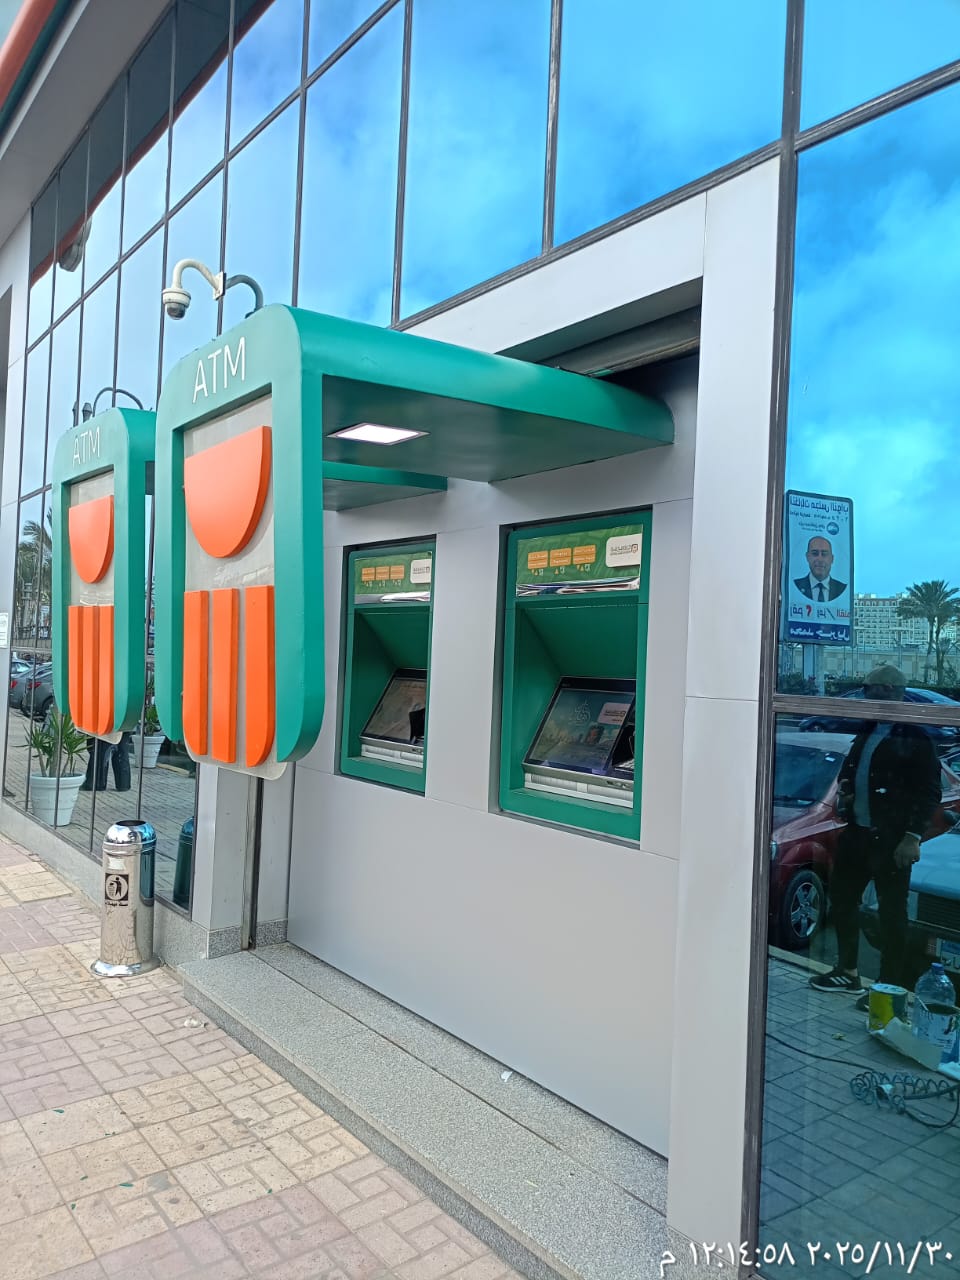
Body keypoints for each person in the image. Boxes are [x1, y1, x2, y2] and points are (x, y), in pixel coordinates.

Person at [809, 665, 941, 1007]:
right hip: (858, 833)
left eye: (870, 689)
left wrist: (912, 837)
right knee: (842, 900)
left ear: (891, 691)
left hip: (892, 840)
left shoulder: (914, 736)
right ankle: (848, 971)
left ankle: (889, 986)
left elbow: (929, 792)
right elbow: (851, 768)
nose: (865, 695)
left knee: (891, 915)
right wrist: (847, 791)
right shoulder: (868, 727)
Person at [794, 536, 847, 601]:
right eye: (815, 553)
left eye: (824, 554)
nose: (820, 559)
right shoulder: (796, 586)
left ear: (832, 559)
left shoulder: (842, 589)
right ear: (807, 557)